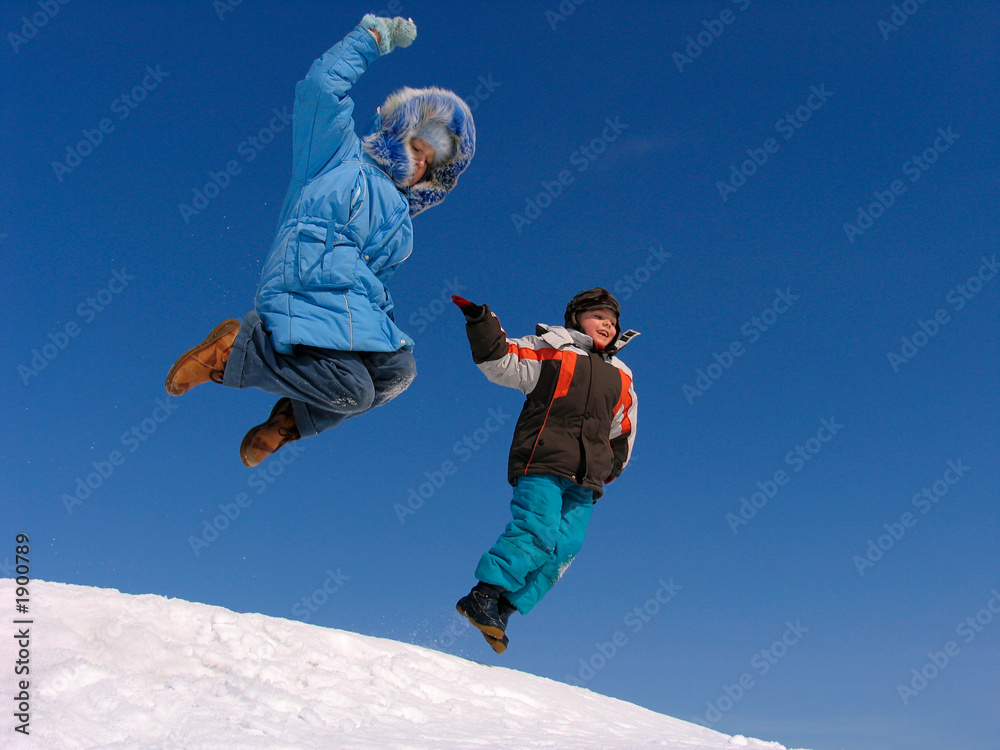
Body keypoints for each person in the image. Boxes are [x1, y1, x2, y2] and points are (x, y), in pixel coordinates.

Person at [164, 14, 476, 467]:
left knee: (399, 370)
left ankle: (292, 416)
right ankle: (237, 352)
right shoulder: (336, 154)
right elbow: (320, 89)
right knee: (354, 389)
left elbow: (376, 282)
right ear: (397, 131)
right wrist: (371, 39)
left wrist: (385, 326)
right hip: (305, 286)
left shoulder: (401, 226)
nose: (417, 164)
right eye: (416, 147)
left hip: (352, 311)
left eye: (428, 165)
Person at [451, 288, 639, 653]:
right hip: (543, 461)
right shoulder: (551, 348)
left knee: (565, 546)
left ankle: (503, 607)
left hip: (586, 481)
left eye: (613, 321)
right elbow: (503, 361)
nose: (608, 325)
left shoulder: (622, 374)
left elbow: (624, 427)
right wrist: (482, 323)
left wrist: (610, 467)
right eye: (599, 316)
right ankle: (484, 593)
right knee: (536, 530)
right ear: (576, 318)